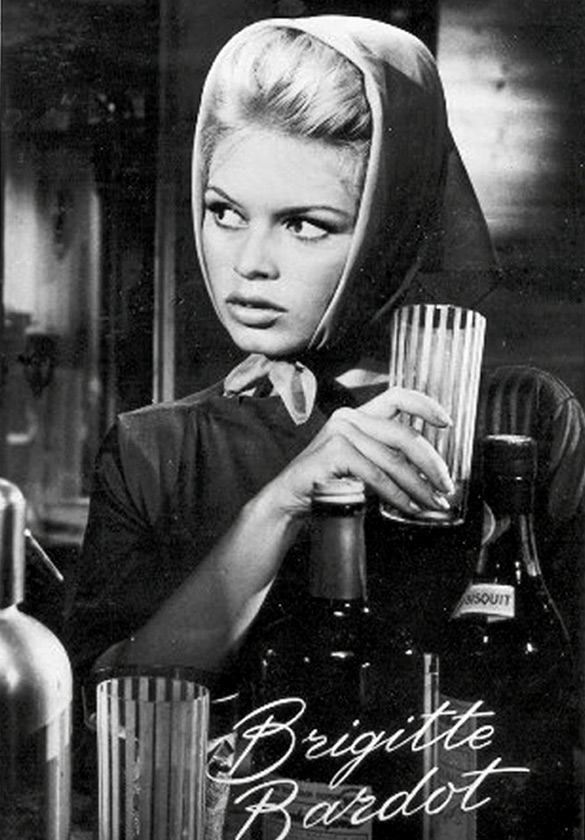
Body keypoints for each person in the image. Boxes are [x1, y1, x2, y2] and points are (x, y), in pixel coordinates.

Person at [65, 16, 585, 703]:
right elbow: (112, 725)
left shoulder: (523, 421)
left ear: (390, 228)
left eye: (304, 224)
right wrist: (276, 509)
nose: (249, 264)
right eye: (225, 212)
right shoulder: (152, 451)